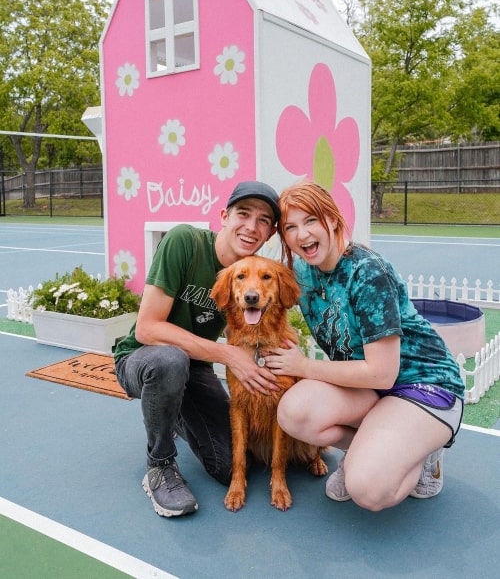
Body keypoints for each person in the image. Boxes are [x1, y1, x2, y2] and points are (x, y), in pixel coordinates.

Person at [265, 180, 465, 511]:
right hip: (368, 390)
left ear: (331, 219)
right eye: (290, 227)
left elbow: (383, 374)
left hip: (423, 385)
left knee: (368, 490)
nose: (302, 235)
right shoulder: (301, 272)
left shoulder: (367, 272)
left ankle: (424, 454)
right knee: (293, 412)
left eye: (311, 220)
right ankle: (372, 449)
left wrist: (303, 366)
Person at [114, 181, 281, 518]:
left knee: (231, 464)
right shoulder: (184, 242)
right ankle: (159, 465)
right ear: (224, 216)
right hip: (144, 358)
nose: (251, 226)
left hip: (196, 367)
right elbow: (147, 328)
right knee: (169, 361)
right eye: (243, 214)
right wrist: (229, 355)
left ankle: (171, 410)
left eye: (263, 220)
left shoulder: (247, 277)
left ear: (271, 232)